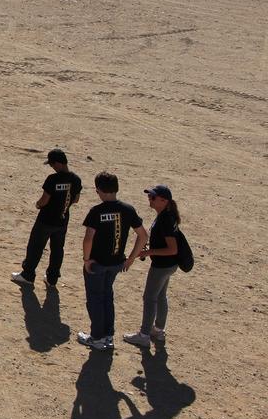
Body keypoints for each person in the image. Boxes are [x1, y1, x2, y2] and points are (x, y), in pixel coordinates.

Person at [77, 172, 147, 351]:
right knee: (107, 297)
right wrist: (131, 258)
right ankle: (108, 335)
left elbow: (88, 238)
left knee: (95, 299)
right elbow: (143, 236)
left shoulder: (96, 211)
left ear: (99, 190)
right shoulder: (127, 209)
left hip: (97, 263)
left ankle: (97, 338)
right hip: (116, 263)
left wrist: (86, 259)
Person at [13, 149, 83, 288]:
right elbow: (76, 200)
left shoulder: (53, 179)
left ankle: (28, 275)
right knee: (57, 250)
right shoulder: (75, 179)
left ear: (58, 163)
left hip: (46, 219)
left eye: (52, 164)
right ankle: (52, 279)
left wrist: (38, 205)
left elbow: (45, 199)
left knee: (35, 247)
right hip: (62, 220)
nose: (52, 167)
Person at [123, 185, 181, 348]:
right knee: (161, 296)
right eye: (150, 196)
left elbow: (172, 249)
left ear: (164, 201)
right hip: (169, 265)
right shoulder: (167, 215)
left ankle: (144, 335)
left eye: (153, 197)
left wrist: (148, 253)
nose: (150, 199)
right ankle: (158, 330)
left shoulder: (165, 219)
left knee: (149, 298)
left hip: (162, 266)